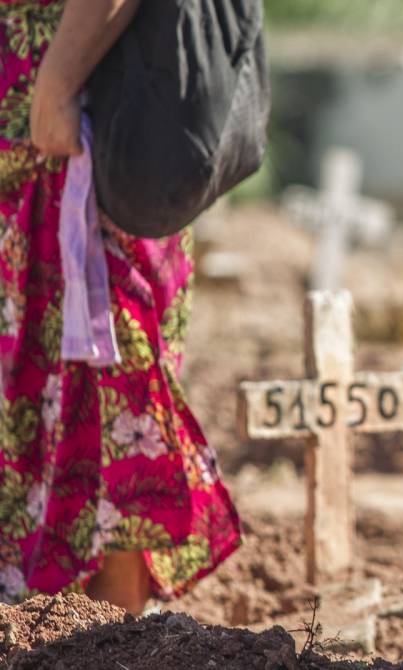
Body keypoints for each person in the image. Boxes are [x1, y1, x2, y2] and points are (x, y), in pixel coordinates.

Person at [0, 0, 241, 613]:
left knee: (103, 409)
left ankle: (110, 639)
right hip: (27, 129)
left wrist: (56, 85)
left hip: (76, 118)